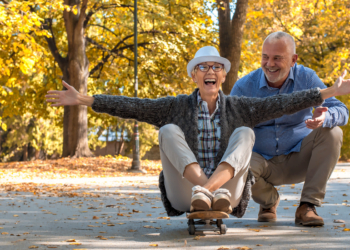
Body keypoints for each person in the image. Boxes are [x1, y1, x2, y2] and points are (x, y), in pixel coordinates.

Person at [46, 46, 350, 220]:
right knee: (167, 130)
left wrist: (328, 92)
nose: (210, 71)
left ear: (223, 76)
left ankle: (211, 190)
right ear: (194, 75)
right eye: (202, 67)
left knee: (245, 133)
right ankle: (203, 189)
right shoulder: (175, 106)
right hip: (185, 193)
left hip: (225, 194)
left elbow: (285, 102)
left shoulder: (240, 106)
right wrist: (84, 100)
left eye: (216, 67)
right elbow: (132, 106)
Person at [230, 31, 349, 226]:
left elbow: (341, 110)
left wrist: (325, 117)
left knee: (333, 132)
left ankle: (307, 206)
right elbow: (228, 129)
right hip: (261, 162)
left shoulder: (307, 78)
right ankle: (269, 202)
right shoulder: (244, 86)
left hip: (299, 158)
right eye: (265, 57)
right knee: (233, 161)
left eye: (277, 58)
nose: (269, 64)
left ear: (293, 59)